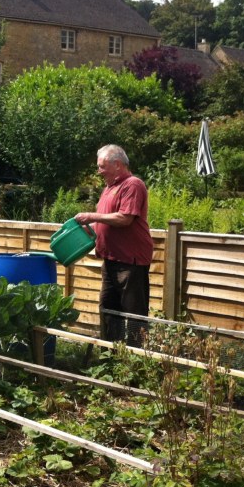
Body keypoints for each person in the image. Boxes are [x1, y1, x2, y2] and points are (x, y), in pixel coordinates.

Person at [75, 145, 153, 346]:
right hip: (110, 260)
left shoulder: (132, 185)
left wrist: (91, 216)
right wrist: (87, 229)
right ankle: (110, 357)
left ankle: (136, 359)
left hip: (130, 262)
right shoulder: (109, 188)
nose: (99, 171)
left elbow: (125, 218)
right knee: (108, 311)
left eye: (102, 166)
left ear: (117, 164)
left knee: (134, 315)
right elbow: (105, 222)